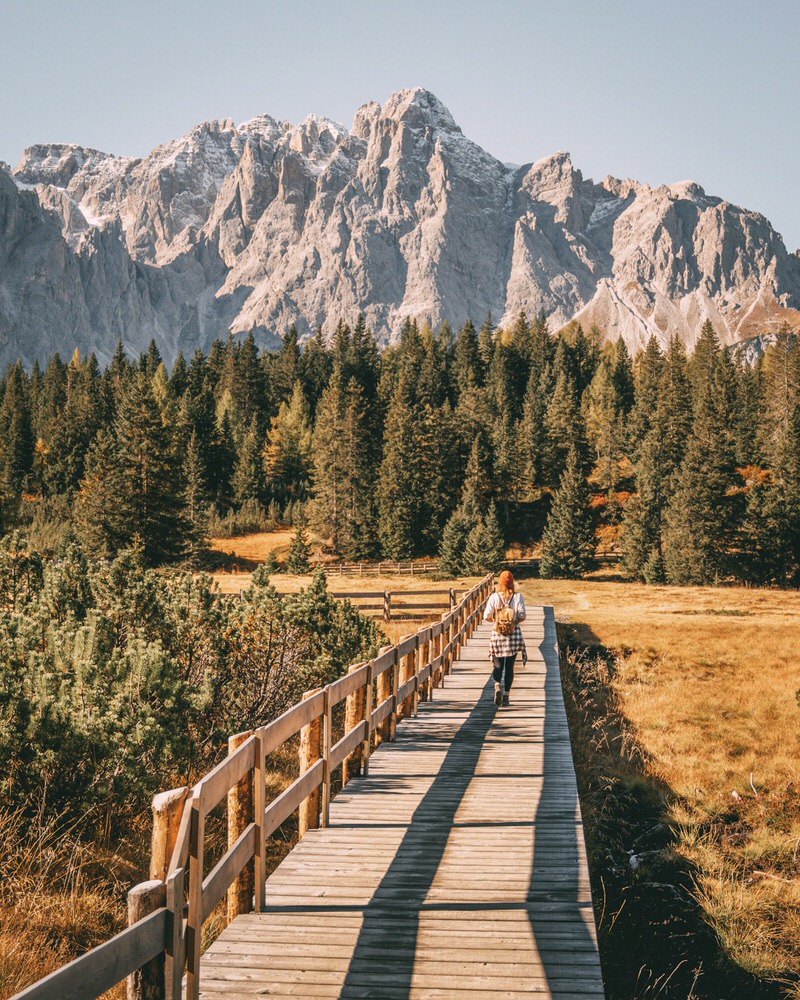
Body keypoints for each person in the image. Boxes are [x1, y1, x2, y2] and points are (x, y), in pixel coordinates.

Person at [483, 569, 527, 706]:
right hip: (513, 636)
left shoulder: (494, 597)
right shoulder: (518, 597)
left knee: (498, 665)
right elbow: (522, 615)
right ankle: (506, 696)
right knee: (510, 667)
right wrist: (512, 623)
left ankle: (497, 686)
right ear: (512, 582)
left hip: (497, 636)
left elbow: (486, 616)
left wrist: (496, 622)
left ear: (500, 583)